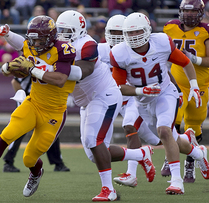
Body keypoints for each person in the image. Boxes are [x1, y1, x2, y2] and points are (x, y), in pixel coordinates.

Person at [0, 15, 77, 197]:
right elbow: (22, 46)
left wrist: (32, 69)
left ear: (51, 38)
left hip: (54, 113)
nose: (35, 44)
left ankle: (36, 174)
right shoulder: (32, 44)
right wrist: (8, 42)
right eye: (33, 39)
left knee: (29, 157)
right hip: (33, 103)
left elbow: (60, 80)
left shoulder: (63, 50)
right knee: (8, 134)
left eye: (40, 40)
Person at [56, 10, 156, 201]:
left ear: (78, 30)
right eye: (60, 30)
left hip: (107, 96)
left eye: (66, 30)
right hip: (88, 101)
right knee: (93, 153)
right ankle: (140, 153)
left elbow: (81, 72)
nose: (62, 34)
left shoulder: (87, 45)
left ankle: (109, 190)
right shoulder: (66, 46)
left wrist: (49, 69)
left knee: (97, 140)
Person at [111, 12, 209, 194]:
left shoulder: (162, 42)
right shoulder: (119, 53)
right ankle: (198, 153)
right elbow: (119, 87)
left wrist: (194, 86)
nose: (134, 37)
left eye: (137, 32)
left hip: (165, 93)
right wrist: (141, 91)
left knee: (164, 130)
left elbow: (185, 62)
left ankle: (176, 181)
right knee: (166, 139)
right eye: (130, 33)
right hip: (142, 100)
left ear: (147, 30)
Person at [162, 0, 209, 183]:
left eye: (193, 12)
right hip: (178, 84)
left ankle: (190, 162)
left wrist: (195, 59)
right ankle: (170, 157)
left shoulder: (207, 30)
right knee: (173, 123)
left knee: (193, 127)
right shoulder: (170, 27)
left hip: (199, 86)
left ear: (201, 13)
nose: (188, 15)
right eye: (186, 11)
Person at [3, 76, 70, 172]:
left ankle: (58, 163)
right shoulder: (33, 62)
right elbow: (15, 82)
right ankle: (8, 161)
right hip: (29, 101)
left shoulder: (49, 64)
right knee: (20, 129)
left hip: (43, 102)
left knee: (50, 128)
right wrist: (24, 99)